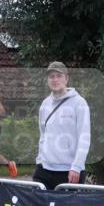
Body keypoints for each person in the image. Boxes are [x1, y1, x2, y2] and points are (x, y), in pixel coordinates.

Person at [34, 62, 91, 190]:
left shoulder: (79, 103)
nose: (55, 80)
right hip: (44, 170)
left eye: (58, 76)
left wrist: (76, 167)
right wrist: (40, 160)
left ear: (66, 78)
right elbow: (43, 135)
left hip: (70, 172)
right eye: (51, 76)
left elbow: (84, 137)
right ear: (47, 80)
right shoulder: (45, 104)